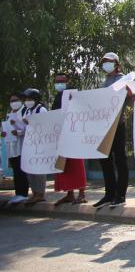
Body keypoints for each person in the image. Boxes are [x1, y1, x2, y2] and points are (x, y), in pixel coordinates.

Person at [94, 52, 130, 209]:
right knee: (105, 161)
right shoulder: (104, 82)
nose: (106, 64)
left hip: (117, 125)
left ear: (116, 64)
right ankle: (109, 194)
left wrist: (130, 92)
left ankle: (120, 195)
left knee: (120, 160)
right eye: (104, 62)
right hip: (103, 127)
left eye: (109, 62)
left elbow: (132, 97)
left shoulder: (124, 79)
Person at [52, 73, 87, 205]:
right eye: (57, 81)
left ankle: (82, 193)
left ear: (67, 82)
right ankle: (70, 193)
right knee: (66, 166)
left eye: (62, 81)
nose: (59, 84)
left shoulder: (74, 95)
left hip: (74, 134)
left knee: (77, 164)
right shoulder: (57, 97)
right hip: (62, 135)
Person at [21, 88, 49, 206]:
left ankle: (40, 193)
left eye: (30, 99)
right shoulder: (27, 110)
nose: (27, 101)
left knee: (39, 170)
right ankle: (34, 192)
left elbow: (45, 124)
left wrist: (30, 123)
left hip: (39, 143)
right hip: (30, 142)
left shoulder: (41, 109)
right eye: (26, 99)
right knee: (30, 169)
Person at [2, 93, 29, 204]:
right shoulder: (9, 114)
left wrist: (17, 131)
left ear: (21, 100)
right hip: (11, 146)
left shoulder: (24, 112)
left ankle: (23, 193)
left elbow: (28, 128)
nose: (13, 102)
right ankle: (18, 193)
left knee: (21, 171)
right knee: (16, 171)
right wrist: (3, 133)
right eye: (11, 101)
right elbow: (6, 127)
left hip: (21, 146)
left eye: (16, 100)